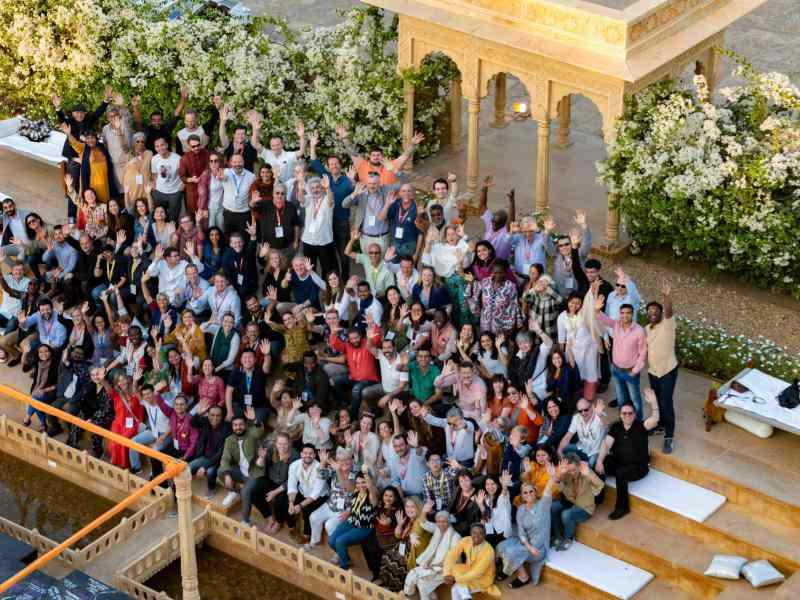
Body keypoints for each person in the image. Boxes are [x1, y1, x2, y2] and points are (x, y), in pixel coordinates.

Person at [596, 391, 660, 519]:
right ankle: (598, 497)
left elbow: (655, 419)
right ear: (620, 414)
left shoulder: (641, 426)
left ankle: (622, 508)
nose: (627, 415)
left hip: (638, 467)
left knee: (621, 474)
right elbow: (607, 445)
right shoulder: (616, 427)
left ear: (634, 414)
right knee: (602, 462)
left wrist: (654, 403)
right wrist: (599, 461)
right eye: (624, 413)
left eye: (630, 413)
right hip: (619, 463)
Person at [595, 294, 648, 420]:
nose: (625, 315)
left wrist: (635, 371)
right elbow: (603, 319)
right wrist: (596, 310)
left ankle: (638, 423)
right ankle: (623, 420)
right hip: (616, 369)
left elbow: (643, 353)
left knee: (635, 400)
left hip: (631, 371)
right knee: (621, 398)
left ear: (632, 314)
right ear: (620, 314)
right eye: (622, 313)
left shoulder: (639, 330)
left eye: (628, 313)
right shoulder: (616, 325)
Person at [495, 479, 555, 589]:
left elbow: (547, 492)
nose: (529, 494)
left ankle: (523, 576)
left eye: (531, 491)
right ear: (522, 495)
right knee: (501, 546)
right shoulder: (521, 509)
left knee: (511, 552)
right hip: (526, 543)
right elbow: (521, 532)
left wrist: (552, 478)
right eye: (525, 492)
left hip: (538, 548)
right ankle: (509, 569)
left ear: (535, 492)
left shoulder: (543, 506)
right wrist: (528, 546)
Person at [645, 283, 677, 454]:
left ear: (660, 313)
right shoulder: (646, 329)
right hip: (653, 372)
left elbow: (669, 311)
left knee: (666, 402)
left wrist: (666, 297)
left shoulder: (668, 324)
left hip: (668, 371)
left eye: (656, 311)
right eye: (650, 311)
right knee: (657, 401)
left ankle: (669, 437)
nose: (653, 313)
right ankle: (660, 425)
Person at [328, 465, 379, 570]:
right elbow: (343, 483)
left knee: (340, 541)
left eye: (363, 482)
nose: (361, 485)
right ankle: (346, 558)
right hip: (351, 522)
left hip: (363, 528)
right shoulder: (356, 491)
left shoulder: (372, 496)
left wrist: (365, 472)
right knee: (332, 541)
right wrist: (338, 469)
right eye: (358, 483)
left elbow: (370, 487)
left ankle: (344, 564)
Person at [403, 509, 461, 600]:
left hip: (445, 569)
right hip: (431, 565)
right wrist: (424, 511)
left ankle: (413, 596)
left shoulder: (455, 537)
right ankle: (410, 596)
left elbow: (454, 560)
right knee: (412, 575)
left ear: (449, 522)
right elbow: (423, 523)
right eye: (438, 522)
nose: (441, 524)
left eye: (444, 522)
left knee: (421, 581)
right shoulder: (437, 529)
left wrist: (433, 565)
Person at [550, 454, 604, 551]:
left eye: (574, 470)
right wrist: (559, 474)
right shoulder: (566, 472)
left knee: (566, 514)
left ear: (579, 466)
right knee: (553, 507)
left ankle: (568, 538)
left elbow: (600, 485)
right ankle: (558, 536)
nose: (571, 473)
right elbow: (555, 483)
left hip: (584, 507)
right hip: (570, 502)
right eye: (569, 470)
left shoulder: (587, 473)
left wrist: (589, 475)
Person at [378, 495, 432, 591]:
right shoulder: (408, 519)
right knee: (387, 556)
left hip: (414, 552)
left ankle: (395, 589)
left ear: (418, 508)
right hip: (403, 547)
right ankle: (387, 582)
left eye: (412, 507)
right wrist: (399, 525)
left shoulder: (420, 520)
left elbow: (417, 531)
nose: (409, 509)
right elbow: (398, 536)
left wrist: (413, 535)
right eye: (407, 506)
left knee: (397, 563)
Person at [307, 447, 356, 549]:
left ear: (352, 460)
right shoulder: (334, 470)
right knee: (314, 517)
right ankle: (315, 541)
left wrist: (338, 470)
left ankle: (338, 549)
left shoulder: (355, 473)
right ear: (337, 461)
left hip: (346, 509)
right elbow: (321, 476)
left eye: (347, 459)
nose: (345, 462)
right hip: (331, 504)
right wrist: (323, 462)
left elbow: (348, 487)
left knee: (330, 525)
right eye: (341, 460)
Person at [218, 407, 265, 509]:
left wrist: (254, 420)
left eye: (241, 424)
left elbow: (258, 431)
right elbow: (225, 458)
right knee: (221, 471)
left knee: (247, 492)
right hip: (241, 472)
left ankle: (245, 520)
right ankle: (233, 492)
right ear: (232, 426)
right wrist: (227, 475)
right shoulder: (229, 439)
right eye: (235, 425)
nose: (238, 427)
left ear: (245, 425)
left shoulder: (251, 434)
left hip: (254, 473)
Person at [443, 523, 500, 599]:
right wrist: (447, 574)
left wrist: (456, 578)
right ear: (470, 533)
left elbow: (477, 572)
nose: (477, 535)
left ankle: (466, 597)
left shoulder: (489, 551)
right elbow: (451, 555)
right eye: (474, 532)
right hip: (469, 570)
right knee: (453, 568)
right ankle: (466, 597)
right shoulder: (466, 540)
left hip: (483, 578)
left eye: (481, 533)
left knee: (455, 589)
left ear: (485, 535)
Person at [188, 402, 231, 498]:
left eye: (218, 416)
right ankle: (184, 489)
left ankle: (211, 489)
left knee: (210, 471)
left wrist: (204, 467)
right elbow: (192, 423)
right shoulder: (206, 422)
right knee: (188, 468)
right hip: (205, 456)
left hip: (219, 459)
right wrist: (199, 414)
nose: (214, 418)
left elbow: (221, 453)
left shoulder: (227, 429)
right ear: (208, 415)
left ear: (222, 417)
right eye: (212, 415)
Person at [557, 397, 608, 467]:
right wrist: (559, 451)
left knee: (589, 467)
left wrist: (599, 415)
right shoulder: (576, 418)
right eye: (580, 411)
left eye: (586, 409)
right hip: (582, 448)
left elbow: (606, 424)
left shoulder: (599, 415)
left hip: (596, 452)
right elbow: (567, 436)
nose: (583, 413)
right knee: (564, 449)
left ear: (592, 406)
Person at [149, 137, 183, 223]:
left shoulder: (177, 158)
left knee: (173, 219)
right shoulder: (154, 159)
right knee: (160, 217)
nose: (160, 148)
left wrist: (180, 189)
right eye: (157, 146)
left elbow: (183, 174)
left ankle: (172, 234)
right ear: (155, 148)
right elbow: (154, 174)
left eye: (162, 145)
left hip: (174, 192)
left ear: (167, 145)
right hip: (159, 192)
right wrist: (154, 187)